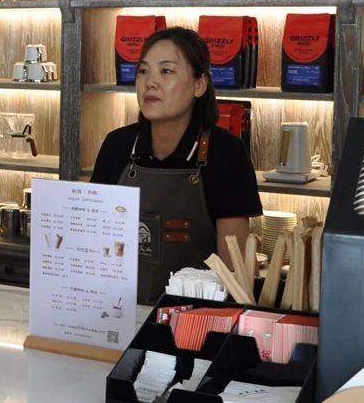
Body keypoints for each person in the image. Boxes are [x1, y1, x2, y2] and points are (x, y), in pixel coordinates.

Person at [90, 25, 263, 303]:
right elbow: (93, 243)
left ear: (199, 85)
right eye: (143, 71)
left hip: (195, 320)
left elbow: (236, 273)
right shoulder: (117, 146)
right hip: (118, 311)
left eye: (166, 71)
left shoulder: (226, 153)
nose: (150, 83)